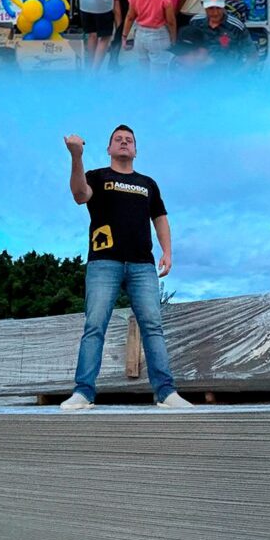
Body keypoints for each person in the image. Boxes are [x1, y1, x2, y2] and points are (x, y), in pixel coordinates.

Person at [60, 125, 190, 411]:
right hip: (103, 262)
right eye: (118, 139)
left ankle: (166, 392)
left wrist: (167, 251)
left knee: (153, 326)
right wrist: (76, 156)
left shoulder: (148, 183)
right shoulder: (97, 176)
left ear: (135, 150)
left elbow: (160, 218)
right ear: (109, 149)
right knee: (94, 326)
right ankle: (83, 392)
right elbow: (80, 195)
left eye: (128, 140)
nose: (123, 142)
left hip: (143, 265)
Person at [178, 0, 248, 60]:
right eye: (210, 8)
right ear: (203, 5)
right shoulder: (195, 23)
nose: (215, 13)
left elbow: (252, 57)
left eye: (218, 8)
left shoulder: (236, 27)